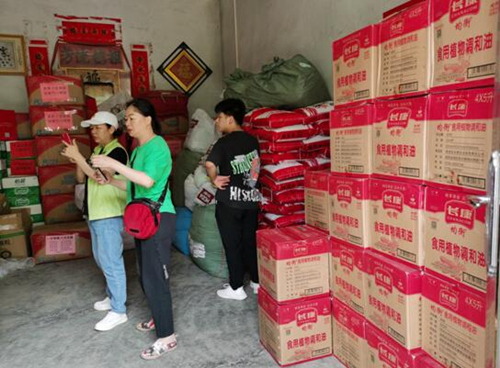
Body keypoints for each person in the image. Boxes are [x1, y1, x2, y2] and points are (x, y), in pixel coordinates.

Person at [91, 99, 177, 360]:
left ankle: (167, 337)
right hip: (142, 219)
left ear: (148, 119)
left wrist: (114, 164)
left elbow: (148, 180)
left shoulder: (158, 146)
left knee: (155, 277)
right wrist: (109, 179)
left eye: (131, 118)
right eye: (125, 119)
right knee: (144, 274)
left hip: (159, 218)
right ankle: (157, 317)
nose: (127, 123)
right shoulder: (138, 151)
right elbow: (132, 187)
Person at [61, 111, 129, 331]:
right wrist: (77, 159)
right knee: (102, 260)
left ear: (111, 129)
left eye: (98, 127)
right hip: (95, 213)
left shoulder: (117, 152)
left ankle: (119, 311)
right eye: (92, 128)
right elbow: (82, 178)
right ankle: (112, 296)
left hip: (109, 212)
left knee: (111, 262)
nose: (94, 132)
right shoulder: (99, 150)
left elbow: (101, 179)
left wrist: (81, 158)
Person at [205, 98, 261, 301]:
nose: (216, 122)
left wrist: (214, 180)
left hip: (229, 202)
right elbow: (254, 169)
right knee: (249, 242)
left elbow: (210, 164)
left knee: (232, 244)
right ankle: (256, 282)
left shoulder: (224, 142)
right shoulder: (252, 140)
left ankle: (236, 287)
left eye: (218, 118)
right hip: (251, 201)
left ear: (230, 118)